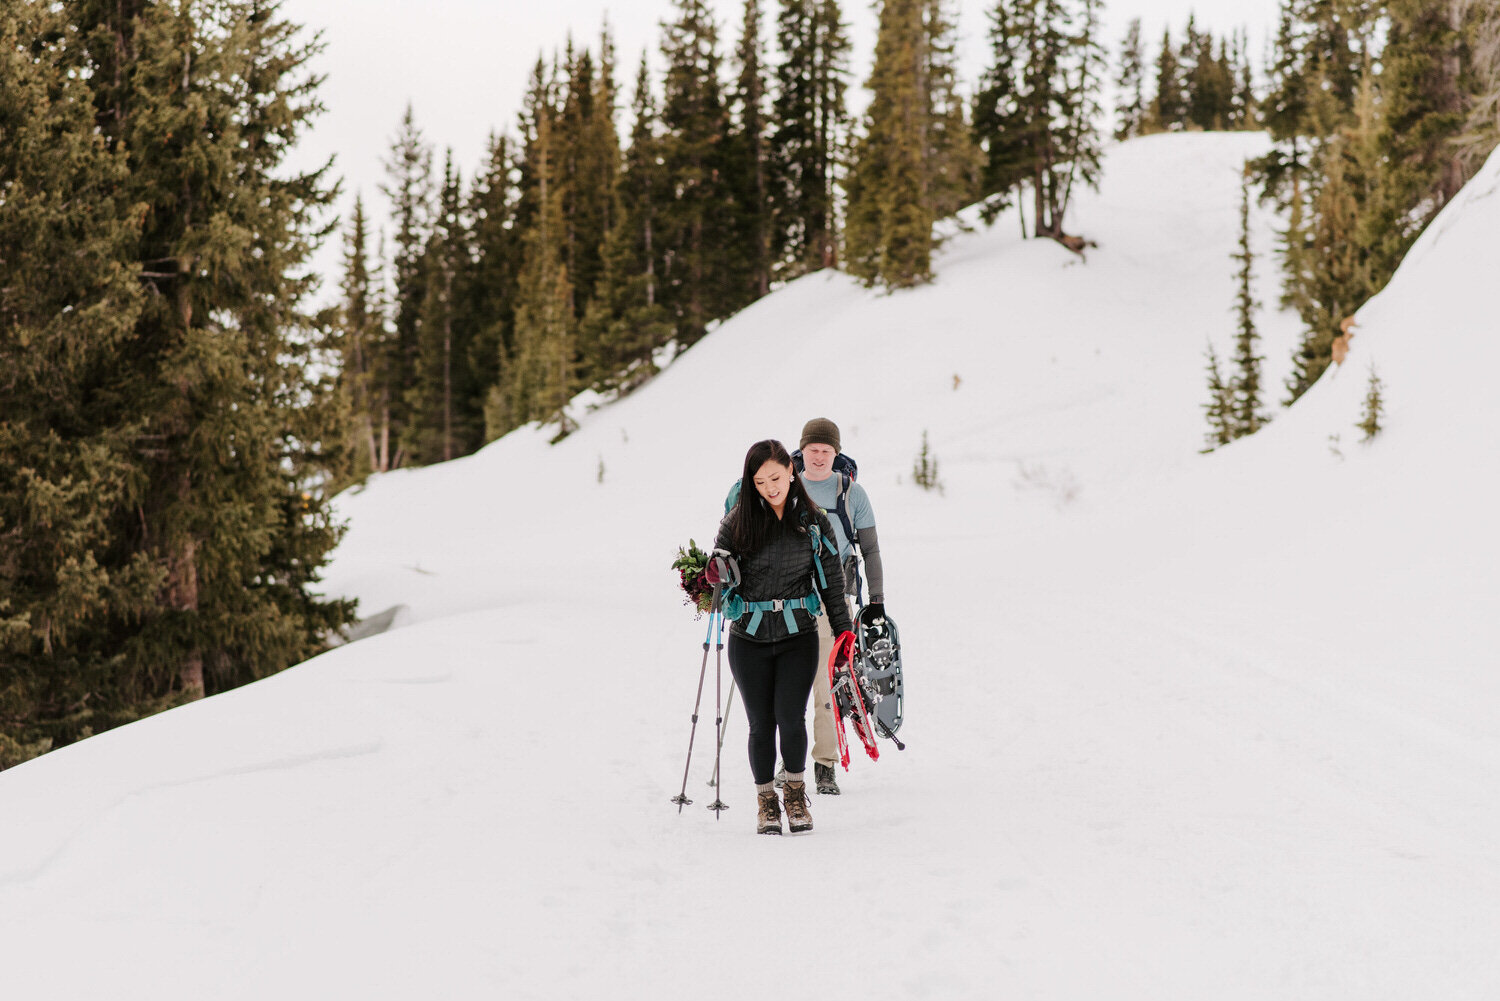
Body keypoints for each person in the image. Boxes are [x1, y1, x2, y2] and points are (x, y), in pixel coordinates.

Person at [714, 439, 855, 835]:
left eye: (775, 478)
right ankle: (766, 803)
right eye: (760, 482)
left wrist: (844, 630)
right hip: (749, 638)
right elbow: (718, 575)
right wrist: (711, 577)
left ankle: (795, 794)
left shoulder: (814, 522)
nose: (770, 488)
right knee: (761, 725)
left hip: (798, 635)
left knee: (791, 719)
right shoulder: (736, 522)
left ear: (791, 472)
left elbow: (832, 581)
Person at [794, 417, 886, 796]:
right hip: (787, 598)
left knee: (826, 684)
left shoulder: (852, 494)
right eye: (812, 450)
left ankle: (825, 764)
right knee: (788, 686)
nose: (818, 458)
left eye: (825, 451)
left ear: (836, 453)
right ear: (801, 451)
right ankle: (791, 758)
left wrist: (877, 600)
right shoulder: (784, 486)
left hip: (835, 600)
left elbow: (871, 550)